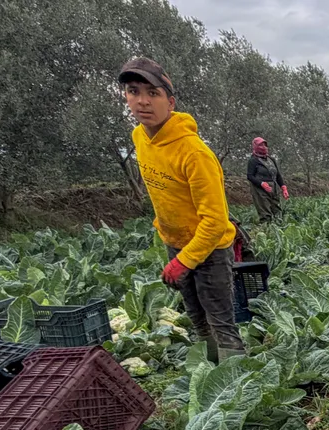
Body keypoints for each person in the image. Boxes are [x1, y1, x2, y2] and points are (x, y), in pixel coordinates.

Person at [119, 57, 244, 363]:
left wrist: (185, 261)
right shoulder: (139, 137)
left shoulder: (194, 153)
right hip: (175, 243)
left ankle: (238, 385)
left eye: (153, 93)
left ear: (170, 102)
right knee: (196, 316)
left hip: (209, 248)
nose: (143, 101)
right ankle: (210, 372)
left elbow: (215, 221)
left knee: (221, 321)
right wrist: (171, 241)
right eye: (134, 91)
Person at [247, 137, 288, 223]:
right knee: (265, 213)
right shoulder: (253, 160)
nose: (264, 147)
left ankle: (279, 229)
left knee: (277, 211)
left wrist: (283, 187)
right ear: (255, 147)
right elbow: (250, 176)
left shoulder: (271, 159)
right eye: (261, 145)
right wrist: (262, 183)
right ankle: (266, 231)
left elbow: (278, 175)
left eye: (265, 145)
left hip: (274, 188)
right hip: (260, 190)